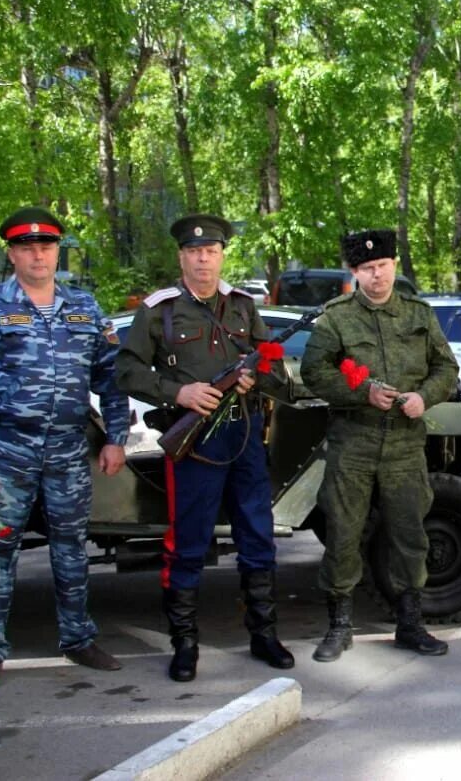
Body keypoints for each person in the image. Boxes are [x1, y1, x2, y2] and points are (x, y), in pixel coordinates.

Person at [0, 207, 130, 670]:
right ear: (12, 253)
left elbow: (111, 378)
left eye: (45, 246)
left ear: (57, 250)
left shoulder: (85, 307)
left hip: (69, 448)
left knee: (71, 545)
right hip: (7, 450)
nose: (37, 255)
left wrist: (116, 437)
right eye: (27, 247)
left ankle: (77, 637)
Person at [115, 214, 294, 681]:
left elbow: (273, 369)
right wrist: (179, 393)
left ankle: (264, 634)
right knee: (188, 542)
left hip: (245, 437)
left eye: (211, 252)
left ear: (221, 256)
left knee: (257, 536)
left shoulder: (242, 306)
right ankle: (185, 644)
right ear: (182, 256)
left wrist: (257, 376)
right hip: (193, 442)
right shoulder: (160, 310)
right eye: (195, 252)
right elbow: (127, 371)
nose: (203, 259)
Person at [301, 229, 459, 662]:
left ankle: (410, 623)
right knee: (343, 533)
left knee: (410, 534)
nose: (377, 276)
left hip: (406, 444)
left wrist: (424, 397)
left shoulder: (418, 314)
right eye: (368, 269)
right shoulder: (336, 318)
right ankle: (339, 625)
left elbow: (446, 367)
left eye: (383, 266)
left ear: (395, 266)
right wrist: (361, 392)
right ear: (354, 272)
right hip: (353, 440)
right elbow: (315, 371)